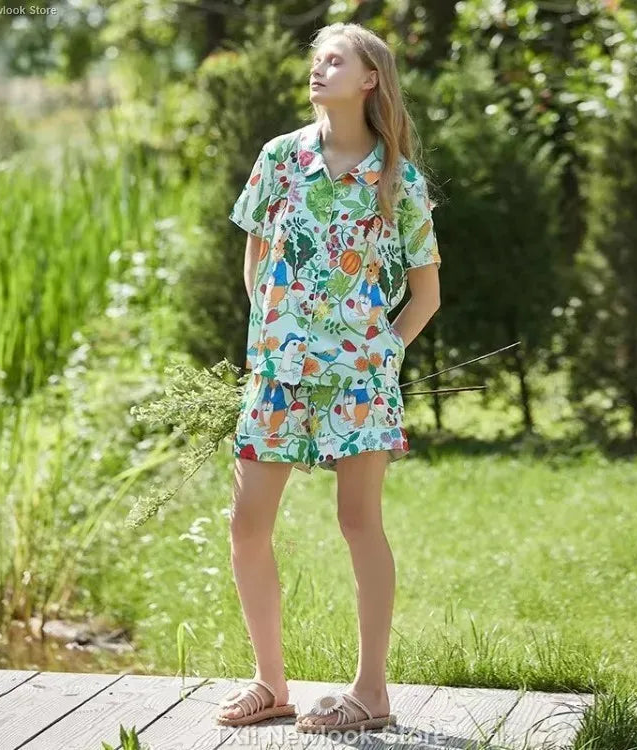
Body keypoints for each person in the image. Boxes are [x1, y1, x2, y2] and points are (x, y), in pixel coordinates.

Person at [217, 21, 442, 734]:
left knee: (358, 522)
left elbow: (426, 295)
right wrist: (274, 337)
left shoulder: (399, 180)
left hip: (360, 381)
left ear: (371, 78)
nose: (319, 69)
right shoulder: (280, 158)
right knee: (246, 525)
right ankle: (270, 685)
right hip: (276, 375)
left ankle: (371, 693)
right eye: (317, 59)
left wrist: (382, 352)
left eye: (336, 60)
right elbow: (255, 261)